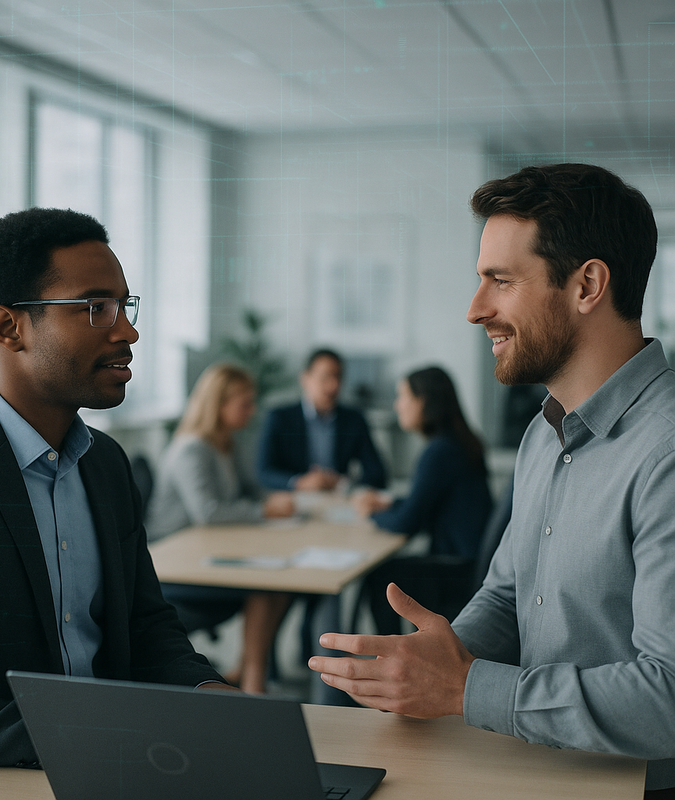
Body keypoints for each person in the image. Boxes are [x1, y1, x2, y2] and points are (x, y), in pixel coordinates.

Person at [308, 163, 675, 795]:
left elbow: (667, 697)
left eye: (500, 281)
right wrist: (428, 663)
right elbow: (508, 596)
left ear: (587, 284)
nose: (476, 310)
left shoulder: (665, 451)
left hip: (629, 785)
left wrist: (466, 687)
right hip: (531, 759)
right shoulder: (543, 433)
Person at [0, 208, 228, 780]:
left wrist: (205, 691)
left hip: (127, 769)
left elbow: (143, 626)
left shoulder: (105, 464)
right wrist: (90, 737)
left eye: (124, 305)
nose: (127, 331)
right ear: (10, 328)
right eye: (95, 308)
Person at [145, 363, 295, 694]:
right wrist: (265, 510)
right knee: (263, 586)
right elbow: (209, 512)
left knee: (281, 584)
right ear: (218, 404)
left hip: (208, 555)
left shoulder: (226, 443)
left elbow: (250, 489)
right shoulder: (191, 448)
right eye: (244, 403)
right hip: (176, 565)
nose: (251, 411)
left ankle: (245, 668)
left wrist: (276, 499)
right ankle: (255, 686)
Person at [353, 366, 493, 631]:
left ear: (424, 401)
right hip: (471, 562)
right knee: (387, 570)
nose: (398, 406)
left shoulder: (438, 452)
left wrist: (371, 514)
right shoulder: (457, 442)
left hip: (457, 570)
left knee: (382, 576)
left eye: (403, 396)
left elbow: (408, 522)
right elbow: (428, 502)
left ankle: (392, 658)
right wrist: (389, 504)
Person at [257, 348, 387, 491]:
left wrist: (342, 483)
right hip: (294, 499)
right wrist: (299, 482)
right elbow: (264, 471)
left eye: (338, 377)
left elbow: (378, 474)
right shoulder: (280, 418)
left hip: (340, 500)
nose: (333, 386)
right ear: (305, 379)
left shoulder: (354, 420)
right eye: (325, 377)